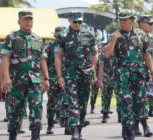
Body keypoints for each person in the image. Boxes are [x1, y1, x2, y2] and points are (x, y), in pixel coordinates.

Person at [104, 9, 153, 139]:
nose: (122, 22)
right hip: (121, 75)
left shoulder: (141, 35)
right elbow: (107, 55)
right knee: (126, 100)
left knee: (140, 102)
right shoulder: (115, 35)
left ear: (132, 20)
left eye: (125, 19)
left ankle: (140, 125)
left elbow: (147, 54)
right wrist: (113, 40)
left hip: (139, 74)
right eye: (121, 20)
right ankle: (128, 128)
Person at [1, 10, 50, 140]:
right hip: (17, 80)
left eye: (30, 19)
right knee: (16, 109)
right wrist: (6, 78)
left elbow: (42, 59)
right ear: (19, 21)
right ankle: (12, 134)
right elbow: (5, 58)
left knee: (37, 108)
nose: (29, 21)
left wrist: (46, 78)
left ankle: (35, 136)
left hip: (35, 80)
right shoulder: (11, 37)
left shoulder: (38, 39)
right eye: (25, 19)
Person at [55, 11, 98, 140]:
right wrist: (59, 76)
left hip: (85, 74)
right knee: (72, 102)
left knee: (83, 104)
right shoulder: (63, 36)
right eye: (75, 21)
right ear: (69, 20)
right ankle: (74, 132)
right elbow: (58, 56)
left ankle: (79, 131)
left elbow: (95, 53)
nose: (78, 24)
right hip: (70, 74)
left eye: (80, 21)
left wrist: (93, 68)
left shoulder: (89, 35)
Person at [137, 15, 153, 118]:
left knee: (151, 92)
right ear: (141, 24)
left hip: (150, 69)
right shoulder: (134, 36)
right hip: (137, 70)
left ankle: (147, 112)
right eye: (150, 23)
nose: (152, 26)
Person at [44, 26, 66, 134]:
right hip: (53, 78)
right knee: (52, 102)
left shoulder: (69, 46)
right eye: (59, 35)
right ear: (55, 35)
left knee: (66, 101)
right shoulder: (49, 47)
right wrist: (45, 78)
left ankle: (67, 124)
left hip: (66, 77)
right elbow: (43, 63)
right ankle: (50, 125)